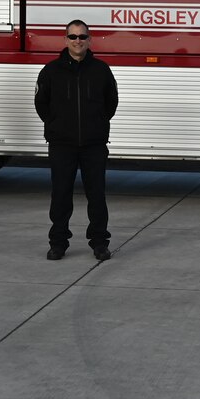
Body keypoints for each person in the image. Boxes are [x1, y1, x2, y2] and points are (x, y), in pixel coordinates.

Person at [36, 19, 119, 261]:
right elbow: (41, 103)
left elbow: (111, 102)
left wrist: (99, 122)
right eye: (73, 37)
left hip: (94, 145)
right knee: (60, 195)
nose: (78, 41)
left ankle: (100, 243)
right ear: (65, 40)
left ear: (89, 40)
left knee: (97, 195)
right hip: (62, 145)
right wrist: (55, 124)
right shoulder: (50, 70)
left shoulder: (101, 69)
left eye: (82, 37)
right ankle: (58, 243)